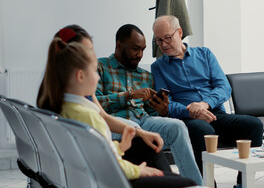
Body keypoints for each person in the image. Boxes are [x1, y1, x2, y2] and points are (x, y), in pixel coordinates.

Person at [37, 35, 196, 187]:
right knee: (183, 182)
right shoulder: (88, 115)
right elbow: (107, 164)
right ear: (80, 76)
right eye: (93, 72)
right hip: (114, 178)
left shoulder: (65, 106)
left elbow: (97, 153)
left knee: (174, 131)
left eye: (143, 49)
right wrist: (138, 170)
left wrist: (161, 109)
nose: (97, 77)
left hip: (105, 170)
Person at [151, 15, 264, 187]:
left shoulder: (205, 54)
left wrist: (204, 104)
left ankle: (243, 183)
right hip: (187, 119)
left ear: (179, 32)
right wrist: (190, 111)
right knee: (202, 128)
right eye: (159, 41)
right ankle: (208, 183)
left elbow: (223, 87)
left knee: (254, 125)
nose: (164, 45)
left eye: (167, 38)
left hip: (215, 114)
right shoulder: (158, 67)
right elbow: (167, 104)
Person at [37, 25, 170, 168]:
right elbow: (103, 161)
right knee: (148, 150)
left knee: (144, 142)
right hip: (101, 169)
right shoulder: (79, 107)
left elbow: (105, 117)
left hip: (88, 166)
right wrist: (138, 171)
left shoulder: (62, 93)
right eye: (88, 51)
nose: (92, 55)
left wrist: (140, 132)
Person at [95, 24, 203, 185]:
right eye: (135, 49)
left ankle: (195, 185)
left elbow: (150, 113)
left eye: (143, 49)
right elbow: (95, 104)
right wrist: (129, 95)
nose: (140, 55)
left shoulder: (146, 76)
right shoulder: (100, 67)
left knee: (177, 126)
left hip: (143, 120)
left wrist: (162, 109)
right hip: (115, 122)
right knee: (133, 126)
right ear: (119, 45)